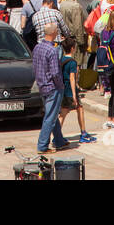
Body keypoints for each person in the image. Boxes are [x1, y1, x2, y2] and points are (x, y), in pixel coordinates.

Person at [33, 22, 71, 153]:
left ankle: (59, 140)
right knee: (50, 117)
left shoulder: (37, 47)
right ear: (54, 33)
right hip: (52, 87)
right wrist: (61, 86)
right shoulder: (52, 50)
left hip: (42, 86)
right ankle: (42, 145)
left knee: (53, 114)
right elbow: (55, 72)